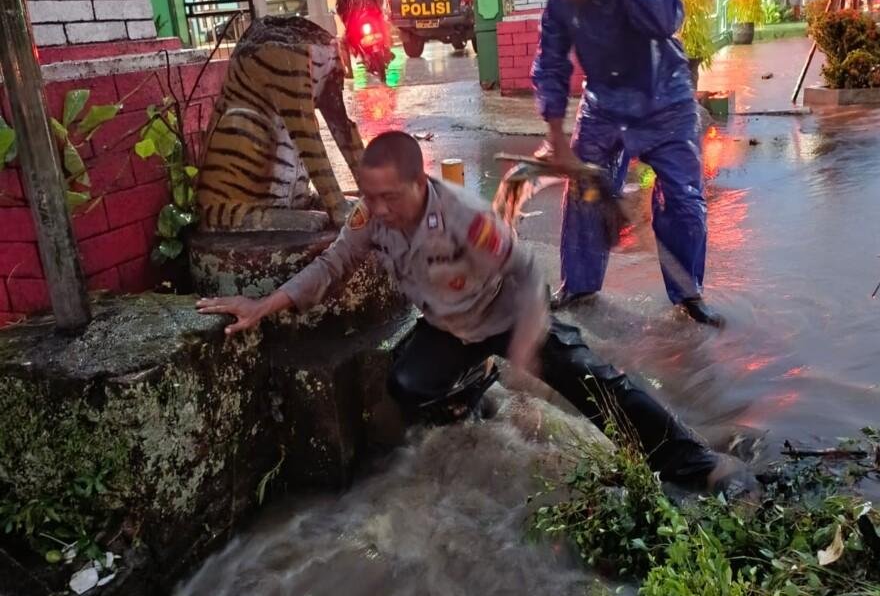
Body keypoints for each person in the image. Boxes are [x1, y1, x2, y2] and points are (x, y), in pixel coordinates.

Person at [197, 131, 752, 496]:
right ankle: (474, 386)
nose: (376, 209)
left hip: (510, 313)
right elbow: (332, 266)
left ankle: (698, 464)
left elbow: (528, 271)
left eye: (388, 197)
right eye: (370, 196)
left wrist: (531, 336)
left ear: (419, 184)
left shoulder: (465, 215)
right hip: (451, 327)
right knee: (407, 384)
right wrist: (264, 304)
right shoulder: (372, 217)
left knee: (597, 386)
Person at [533, 0, 723, 327]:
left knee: (685, 202)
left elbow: (665, 21)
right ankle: (580, 285)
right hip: (603, 106)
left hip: (664, 101)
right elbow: (550, 62)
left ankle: (688, 292)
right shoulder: (561, 2)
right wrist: (556, 135)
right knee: (586, 190)